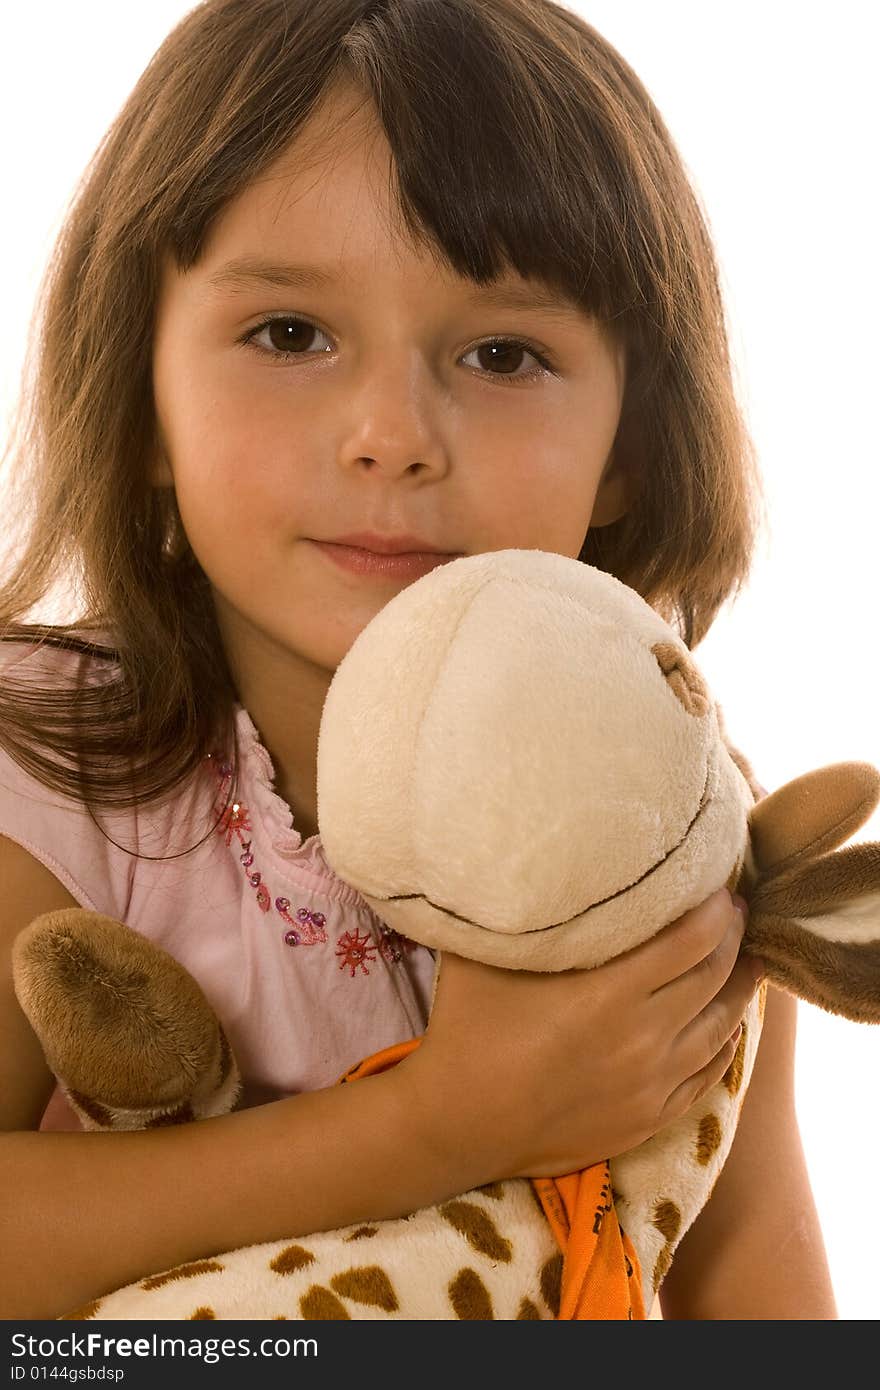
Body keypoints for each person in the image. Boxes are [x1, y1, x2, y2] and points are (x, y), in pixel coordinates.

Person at [0, 0, 835, 1320]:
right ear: (140, 394)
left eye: (505, 352)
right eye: (289, 333)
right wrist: (441, 1129)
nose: (390, 435)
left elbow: (753, 1277)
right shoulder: (50, 774)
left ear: (630, 443)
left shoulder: (669, 825)